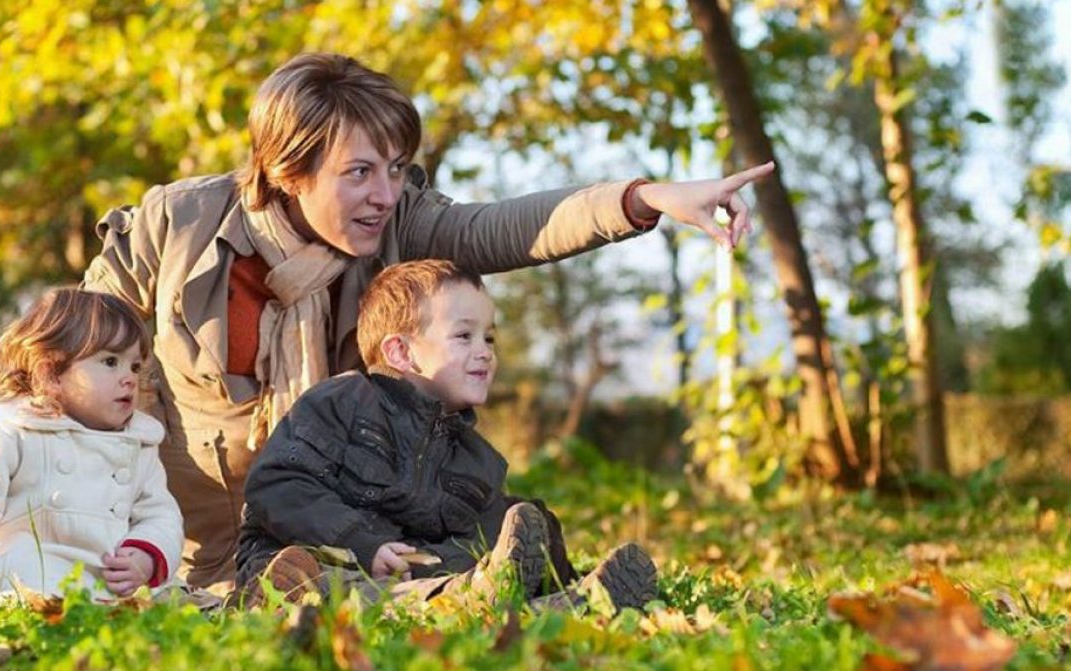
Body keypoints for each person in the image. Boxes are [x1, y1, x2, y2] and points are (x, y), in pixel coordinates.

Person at [82, 52, 774, 592]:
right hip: (184, 545)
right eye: (358, 172)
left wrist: (642, 197)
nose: (384, 194)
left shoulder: (398, 222)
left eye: (395, 167)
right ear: (290, 169)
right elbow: (70, 357)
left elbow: (507, 227)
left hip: (348, 528)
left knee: (400, 579)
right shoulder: (179, 225)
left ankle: (513, 586)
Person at [235, 260, 657, 611]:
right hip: (304, 562)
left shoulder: (477, 459)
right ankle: (471, 598)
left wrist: (542, 549)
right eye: (464, 336)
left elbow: (497, 541)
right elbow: (277, 485)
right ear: (401, 352)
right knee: (339, 592)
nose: (486, 351)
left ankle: (566, 602)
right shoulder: (343, 401)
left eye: (489, 337)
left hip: (411, 574)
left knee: (507, 525)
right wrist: (361, 542)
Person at [0, 289, 183, 600]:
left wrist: (144, 555)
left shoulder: (137, 444)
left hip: (108, 582)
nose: (128, 378)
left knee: (176, 603)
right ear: (52, 374)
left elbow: (160, 514)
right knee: (24, 592)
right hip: (26, 576)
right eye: (110, 361)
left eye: (135, 366)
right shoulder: (10, 427)